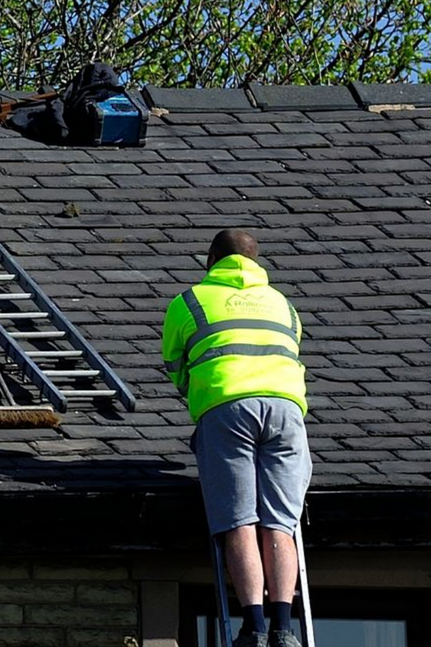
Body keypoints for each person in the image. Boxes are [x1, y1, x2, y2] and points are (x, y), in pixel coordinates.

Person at [163, 229, 310, 647]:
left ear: (211, 260)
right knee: (280, 522)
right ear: (255, 261)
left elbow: (175, 363)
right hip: (286, 410)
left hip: (227, 406)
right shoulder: (283, 304)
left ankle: (255, 626)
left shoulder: (190, 301)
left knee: (238, 520)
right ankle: (284, 628)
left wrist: (200, 395)